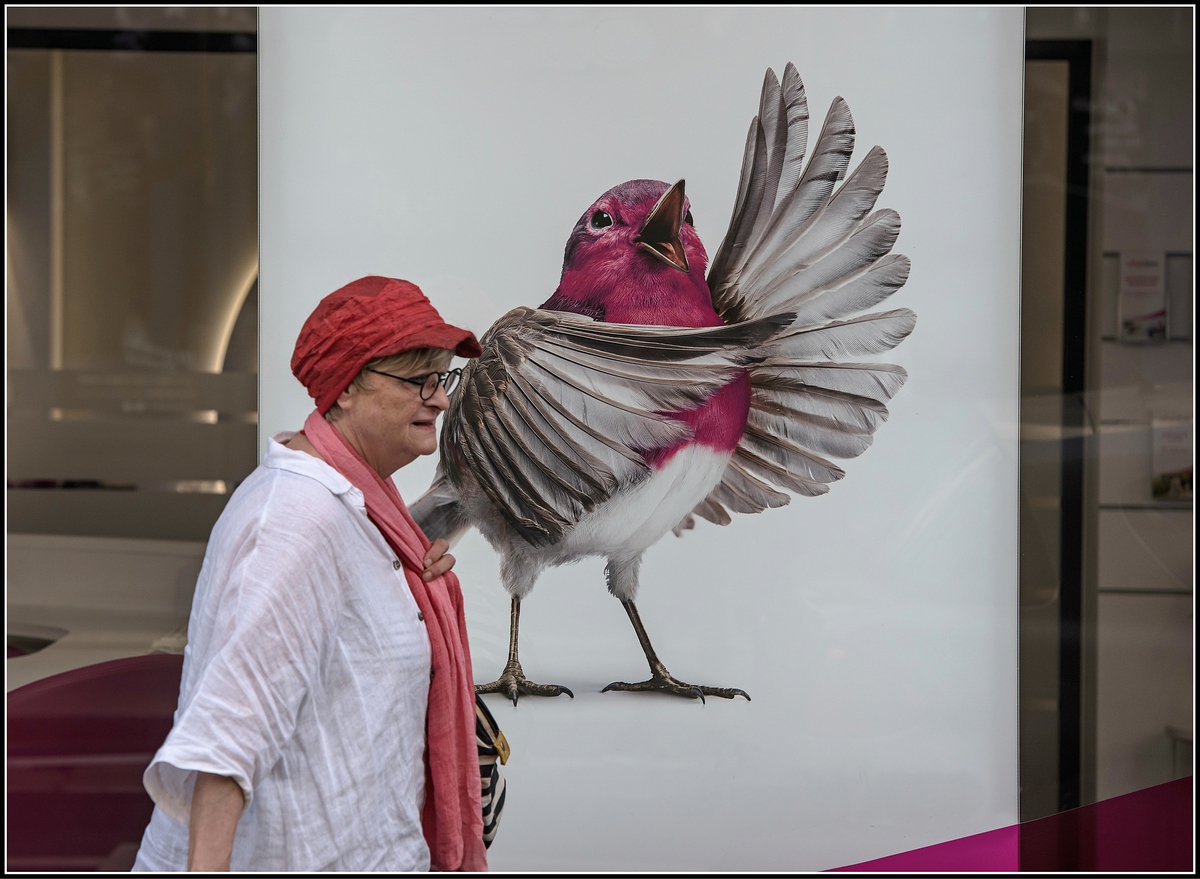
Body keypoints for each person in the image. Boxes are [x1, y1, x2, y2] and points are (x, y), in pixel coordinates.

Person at [132, 276, 488, 872]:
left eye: (442, 378)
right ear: (345, 389)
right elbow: (228, 733)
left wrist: (408, 590)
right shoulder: (297, 518)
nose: (441, 400)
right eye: (419, 380)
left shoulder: (362, 511)